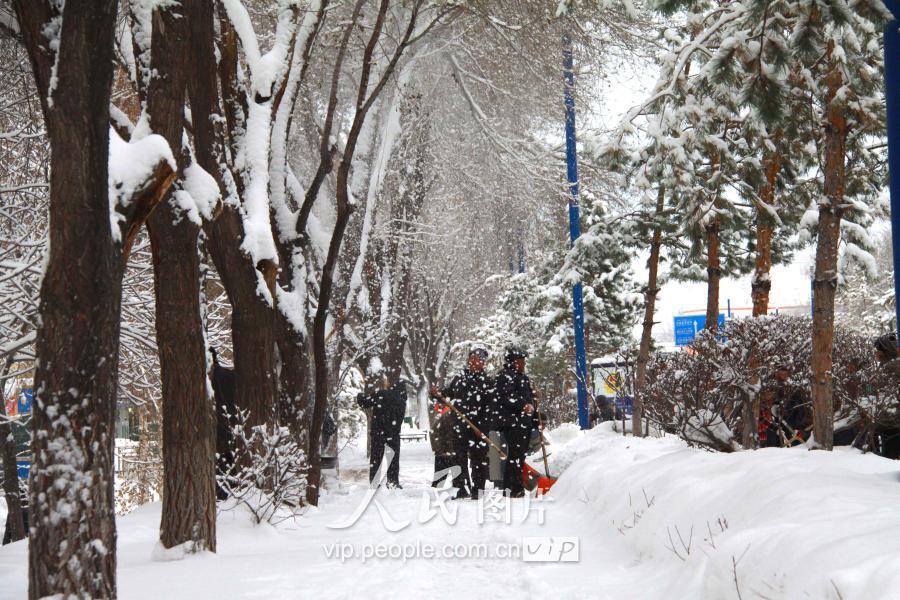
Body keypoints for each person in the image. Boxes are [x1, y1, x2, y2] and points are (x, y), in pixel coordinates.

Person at [431, 346, 494, 499]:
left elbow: (491, 408)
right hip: (459, 425)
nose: (473, 362)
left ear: (483, 363)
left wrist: (484, 427)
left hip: (479, 427)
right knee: (458, 458)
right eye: (471, 358)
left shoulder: (487, 382)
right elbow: (447, 393)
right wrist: (437, 394)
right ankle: (461, 488)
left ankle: (478, 490)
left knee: (478, 459)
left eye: (477, 359)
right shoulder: (460, 378)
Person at [493, 347, 536, 497]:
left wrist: (534, 415)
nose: (524, 363)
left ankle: (514, 487)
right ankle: (512, 488)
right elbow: (506, 396)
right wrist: (522, 404)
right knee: (515, 455)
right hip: (513, 423)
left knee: (520, 455)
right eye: (521, 360)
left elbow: (528, 398)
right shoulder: (506, 376)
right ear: (514, 361)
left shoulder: (522, 377)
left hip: (524, 422)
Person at [357, 370, 407, 488]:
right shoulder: (402, 401)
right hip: (393, 433)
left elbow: (364, 403)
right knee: (393, 458)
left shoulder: (381, 394)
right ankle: (392, 481)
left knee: (376, 457)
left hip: (379, 432)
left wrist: (360, 395)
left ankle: (374, 482)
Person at [761, 363, 811, 447]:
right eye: (781, 373)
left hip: (789, 422)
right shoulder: (770, 385)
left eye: (785, 373)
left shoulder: (793, 388)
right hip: (774, 423)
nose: (783, 376)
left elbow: (799, 409)